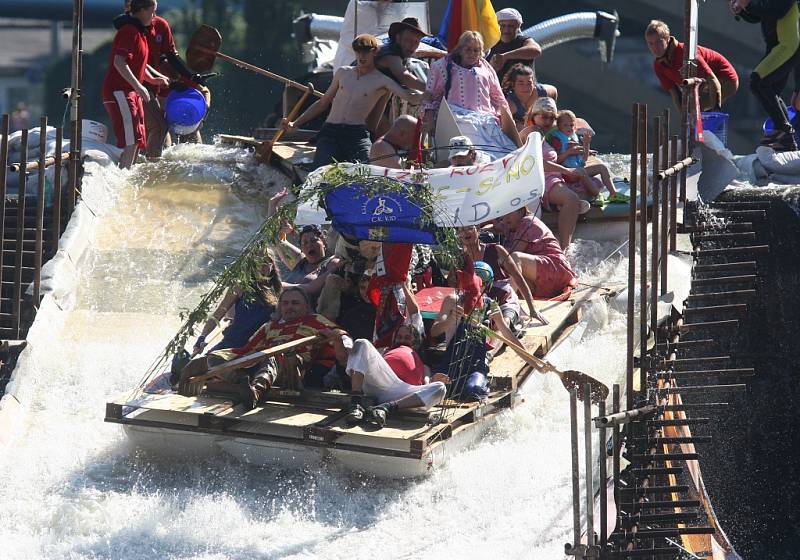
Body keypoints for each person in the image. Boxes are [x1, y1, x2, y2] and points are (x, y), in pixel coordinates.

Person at [283, 34, 424, 169]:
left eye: (366, 52)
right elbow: (322, 103)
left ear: (374, 52)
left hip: (356, 135)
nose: (361, 56)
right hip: (330, 132)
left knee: (369, 170)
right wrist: (295, 123)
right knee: (319, 172)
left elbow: (409, 96)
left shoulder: (382, 81)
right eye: (358, 52)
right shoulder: (342, 73)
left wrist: (429, 94)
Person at [207, 287, 352, 407]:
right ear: (280, 306)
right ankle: (242, 383)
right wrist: (223, 357)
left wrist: (336, 338)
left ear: (306, 306)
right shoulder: (269, 326)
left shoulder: (316, 320)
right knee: (215, 357)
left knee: (276, 353)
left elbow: (341, 337)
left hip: (294, 370)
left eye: (295, 303)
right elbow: (248, 349)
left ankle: (256, 391)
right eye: (286, 303)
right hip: (262, 362)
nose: (290, 307)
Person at [423, 30, 521, 162]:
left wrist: (508, 122)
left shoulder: (486, 68)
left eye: (476, 50)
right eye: (468, 49)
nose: (472, 53)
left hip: (487, 120)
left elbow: (498, 97)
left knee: (508, 153)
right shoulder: (444, 66)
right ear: (460, 49)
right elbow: (431, 94)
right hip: (456, 118)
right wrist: (429, 119)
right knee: (471, 150)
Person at [430, 261, 519, 402]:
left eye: (482, 281)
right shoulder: (452, 301)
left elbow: (507, 334)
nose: (477, 284)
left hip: (476, 365)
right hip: (451, 361)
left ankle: (474, 385)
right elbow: (434, 332)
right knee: (436, 388)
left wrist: (536, 362)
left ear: (488, 285)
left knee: (473, 391)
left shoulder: (492, 305)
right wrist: (450, 321)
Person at [521, 97, 599, 248]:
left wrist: (575, 149)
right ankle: (564, 248)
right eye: (544, 116)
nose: (548, 121)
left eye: (552, 117)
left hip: (555, 177)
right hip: (541, 179)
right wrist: (567, 170)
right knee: (572, 198)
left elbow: (575, 123)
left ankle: (563, 208)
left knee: (591, 187)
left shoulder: (548, 134)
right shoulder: (533, 132)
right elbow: (538, 163)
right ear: (533, 116)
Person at [102, 0, 169, 168]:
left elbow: (138, 64)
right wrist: (140, 87)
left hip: (131, 93)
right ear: (141, 10)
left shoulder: (140, 32)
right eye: (152, 12)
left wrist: (153, 80)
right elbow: (119, 62)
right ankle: (123, 179)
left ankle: (129, 177)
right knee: (130, 141)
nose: (154, 17)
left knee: (138, 140)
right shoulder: (129, 31)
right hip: (120, 92)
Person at [730, 0, 800, 150]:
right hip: (777, 46)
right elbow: (758, 16)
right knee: (770, 90)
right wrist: (742, 9)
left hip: (787, 46)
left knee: (758, 82)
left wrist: (747, 5)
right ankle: (787, 137)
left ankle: (785, 132)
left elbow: (777, 10)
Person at [192, 252, 281, 356]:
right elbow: (218, 314)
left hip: (259, 345)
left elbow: (302, 287)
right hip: (233, 342)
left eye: (266, 263)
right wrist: (202, 337)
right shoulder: (240, 286)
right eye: (257, 263)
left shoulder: (278, 290)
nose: (262, 267)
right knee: (205, 364)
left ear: (272, 266)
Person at [345, 337, 448, 427]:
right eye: (399, 337)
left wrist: (431, 380)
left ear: (415, 342)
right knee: (361, 342)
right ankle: (355, 404)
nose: (402, 340)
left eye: (407, 337)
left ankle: (385, 408)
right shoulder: (385, 350)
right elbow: (362, 357)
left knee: (441, 387)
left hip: (404, 395)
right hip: (381, 382)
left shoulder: (421, 362)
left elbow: (426, 383)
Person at [457, 225, 546, 327]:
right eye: (461, 230)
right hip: (478, 305)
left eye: (469, 228)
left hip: (504, 300)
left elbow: (518, 278)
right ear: (458, 235)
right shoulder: (460, 259)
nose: (465, 233)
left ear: (478, 230)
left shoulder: (496, 250)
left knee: (504, 324)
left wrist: (532, 308)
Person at [645, 20, 739, 114]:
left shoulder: (685, 52)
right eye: (650, 43)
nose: (655, 48)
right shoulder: (658, 65)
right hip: (703, 83)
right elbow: (675, 93)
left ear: (667, 39)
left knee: (696, 108)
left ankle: (711, 122)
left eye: (658, 42)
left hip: (725, 78)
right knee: (690, 110)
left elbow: (713, 80)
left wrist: (715, 112)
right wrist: (683, 118)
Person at [268, 189, 344, 304]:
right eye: (305, 243)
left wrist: (279, 285)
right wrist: (272, 204)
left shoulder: (332, 263)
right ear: (301, 247)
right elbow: (277, 239)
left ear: (323, 241)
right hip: (283, 310)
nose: (309, 245)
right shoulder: (300, 261)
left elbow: (311, 288)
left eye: (313, 241)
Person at [367, 17, 430, 136]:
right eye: (408, 40)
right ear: (398, 38)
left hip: (377, 102)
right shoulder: (391, 55)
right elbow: (404, 77)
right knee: (388, 139)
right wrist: (431, 89)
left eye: (416, 42)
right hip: (362, 102)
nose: (413, 45)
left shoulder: (401, 56)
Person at [498, 208, 577, 300]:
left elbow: (511, 254)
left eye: (508, 213)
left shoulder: (527, 221)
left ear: (521, 211)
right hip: (542, 281)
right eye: (502, 215)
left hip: (556, 267)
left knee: (514, 258)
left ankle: (508, 301)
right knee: (504, 279)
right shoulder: (511, 228)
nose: (505, 218)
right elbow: (494, 227)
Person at [548, 109, 618, 198]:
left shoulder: (573, 138)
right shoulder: (557, 140)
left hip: (578, 169)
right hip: (567, 173)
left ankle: (613, 194)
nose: (569, 128)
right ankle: (597, 195)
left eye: (571, 125)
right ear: (559, 126)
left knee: (602, 167)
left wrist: (586, 143)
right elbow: (555, 161)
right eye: (565, 125)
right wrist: (569, 152)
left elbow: (584, 159)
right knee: (582, 173)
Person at [487, 8, 543, 84]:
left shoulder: (523, 41)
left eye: (511, 26)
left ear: (518, 26)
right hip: (497, 91)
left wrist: (505, 57)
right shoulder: (490, 42)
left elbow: (536, 50)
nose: (506, 30)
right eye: (503, 26)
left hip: (525, 91)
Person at [503, 64, 557, 131]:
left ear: (533, 83)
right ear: (512, 85)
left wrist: (552, 110)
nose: (526, 87)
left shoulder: (540, 92)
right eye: (521, 83)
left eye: (529, 83)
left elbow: (554, 91)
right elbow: (502, 124)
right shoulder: (511, 104)